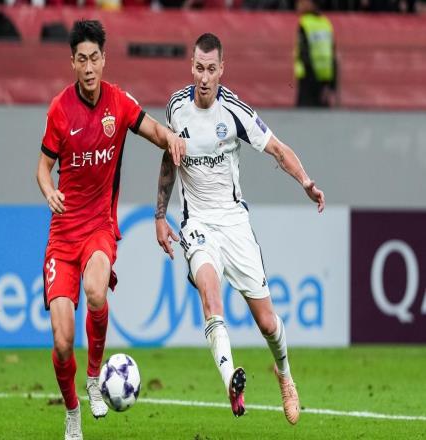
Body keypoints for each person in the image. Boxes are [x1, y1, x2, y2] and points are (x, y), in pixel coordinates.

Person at [154, 33, 324, 423]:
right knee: (210, 295)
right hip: (197, 224)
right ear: (191, 66)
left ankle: (285, 375)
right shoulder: (176, 108)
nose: (204, 77)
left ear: (222, 70)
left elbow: (278, 149)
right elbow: (169, 159)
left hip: (235, 224)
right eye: (199, 68)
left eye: (211, 69)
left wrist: (306, 182)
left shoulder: (235, 112)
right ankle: (232, 379)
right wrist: (160, 215)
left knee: (267, 322)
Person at [36, 20, 185, 440]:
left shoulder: (119, 102)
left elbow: (153, 129)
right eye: (81, 59)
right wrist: (49, 190)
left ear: (104, 59)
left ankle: (94, 377)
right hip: (63, 235)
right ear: (72, 62)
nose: (88, 67)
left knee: (96, 291)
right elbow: (43, 167)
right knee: (62, 341)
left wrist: (172, 138)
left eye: (94, 58)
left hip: (100, 226)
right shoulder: (59, 109)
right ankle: (72, 412)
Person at [295, 0, 337, 107]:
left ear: (311, 4)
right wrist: (332, 85)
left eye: (302, 2)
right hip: (325, 79)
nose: (298, 5)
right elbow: (333, 54)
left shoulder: (305, 23)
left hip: (308, 78)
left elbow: (304, 53)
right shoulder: (326, 23)